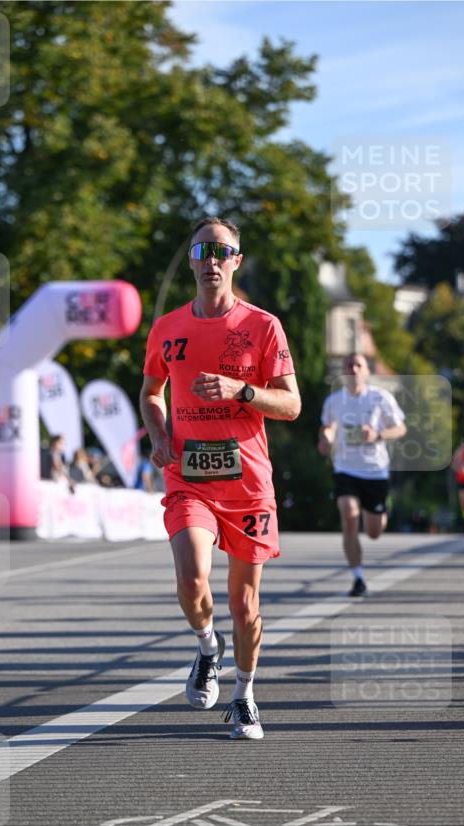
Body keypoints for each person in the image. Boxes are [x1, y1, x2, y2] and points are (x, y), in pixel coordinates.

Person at [140, 216, 300, 740]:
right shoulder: (166, 328)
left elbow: (292, 404)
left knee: (246, 604)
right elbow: (150, 393)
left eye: (221, 250)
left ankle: (244, 695)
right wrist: (158, 433)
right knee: (191, 579)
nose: (211, 259)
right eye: (201, 250)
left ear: (236, 260)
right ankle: (208, 647)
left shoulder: (262, 326)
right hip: (189, 478)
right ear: (191, 261)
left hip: (248, 482)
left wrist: (241, 390)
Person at [318, 353, 407, 596]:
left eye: (359, 365)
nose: (354, 369)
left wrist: (378, 435)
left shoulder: (380, 398)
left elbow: (400, 428)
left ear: (367, 371)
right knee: (348, 513)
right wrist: (325, 439)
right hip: (346, 469)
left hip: (375, 471)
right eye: (349, 365)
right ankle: (358, 577)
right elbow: (328, 426)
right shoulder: (335, 401)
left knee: (374, 531)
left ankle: (380, 512)